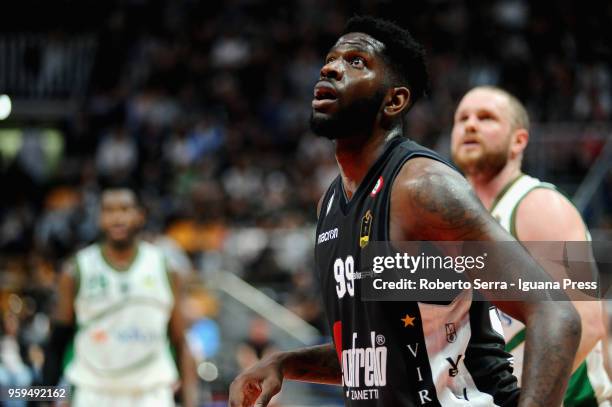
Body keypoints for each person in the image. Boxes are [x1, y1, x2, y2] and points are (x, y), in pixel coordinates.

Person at [229, 16, 581, 407]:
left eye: (356, 62)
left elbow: (556, 314)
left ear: (394, 100)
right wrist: (284, 362)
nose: (330, 67)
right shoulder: (329, 203)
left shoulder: (422, 186)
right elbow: (376, 355)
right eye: (331, 59)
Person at [451, 86, 612, 405]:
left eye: (486, 118)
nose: (470, 125)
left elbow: (587, 321)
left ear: (519, 141)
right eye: (462, 118)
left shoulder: (542, 204)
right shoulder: (457, 220)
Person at [42, 187, 197, 407]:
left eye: (124, 209)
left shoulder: (166, 268)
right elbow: (57, 342)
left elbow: (181, 343)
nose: (117, 217)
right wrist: (43, 398)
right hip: (92, 394)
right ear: (99, 219)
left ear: (140, 216)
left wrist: (191, 402)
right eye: (109, 210)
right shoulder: (76, 270)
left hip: (151, 394)